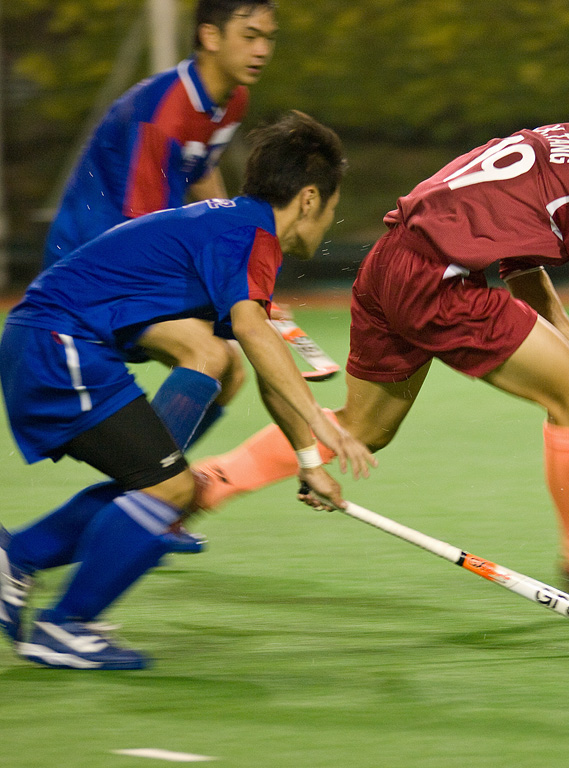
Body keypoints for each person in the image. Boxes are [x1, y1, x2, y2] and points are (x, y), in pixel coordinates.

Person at [191, 57, 569, 598]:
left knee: (364, 428)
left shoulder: (567, 140)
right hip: (439, 284)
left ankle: (207, 484)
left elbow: (520, 265)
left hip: (389, 263)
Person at [0, 112, 372, 670]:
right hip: (59, 346)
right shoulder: (250, 235)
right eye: (332, 209)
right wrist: (320, 422)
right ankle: (65, 627)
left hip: (54, 343)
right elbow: (253, 331)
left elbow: (262, 363)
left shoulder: (236, 226)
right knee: (168, 489)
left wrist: (308, 460)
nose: (328, 224)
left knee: (160, 485)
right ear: (310, 198)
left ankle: (19, 557)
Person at [43, 0, 278, 551]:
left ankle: (152, 493)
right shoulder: (164, 112)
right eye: (249, 35)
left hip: (131, 262)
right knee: (209, 354)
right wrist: (226, 291)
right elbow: (142, 227)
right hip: (88, 269)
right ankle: (151, 498)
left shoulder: (230, 99)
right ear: (210, 37)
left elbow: (202, 175)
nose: (262, 49)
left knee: (229, 372)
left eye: (269, 37)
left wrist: (237, 267)